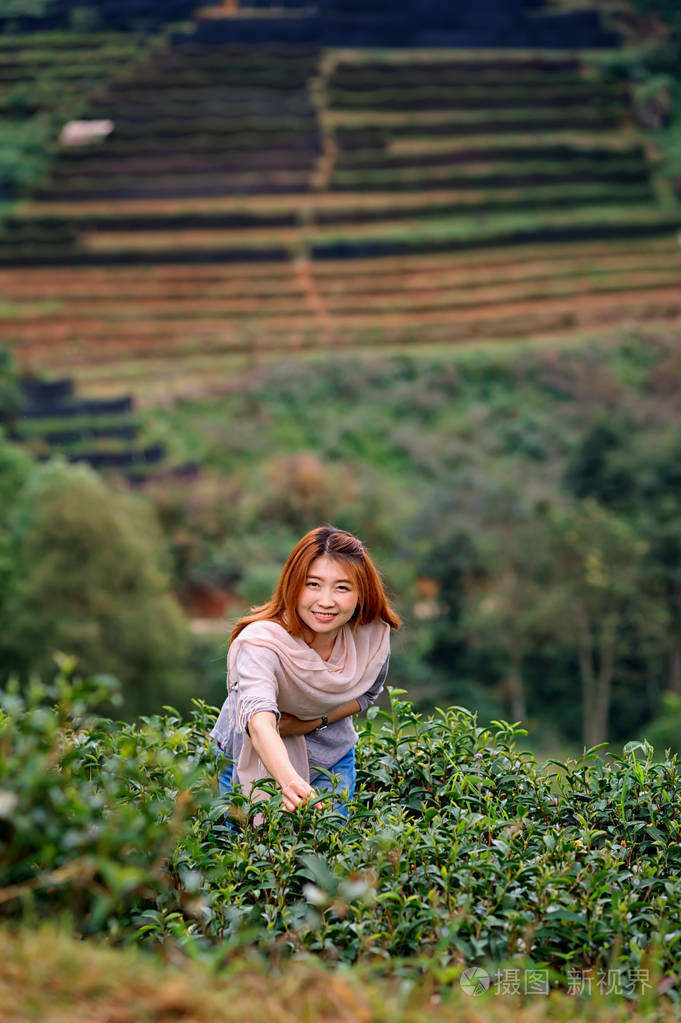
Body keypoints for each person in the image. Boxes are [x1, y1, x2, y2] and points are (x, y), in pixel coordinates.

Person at [210, 525, 401, 819]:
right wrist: (289, 781)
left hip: (332, 756)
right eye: (313, 584)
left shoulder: (370, 637)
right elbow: (259, 721)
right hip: (247, 755)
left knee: (329, 841)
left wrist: (310, 723)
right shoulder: (262, 642)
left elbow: (368, 694)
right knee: (247, 844)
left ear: (362, 592)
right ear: (293, 584)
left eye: (342, 587)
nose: (326, 601)